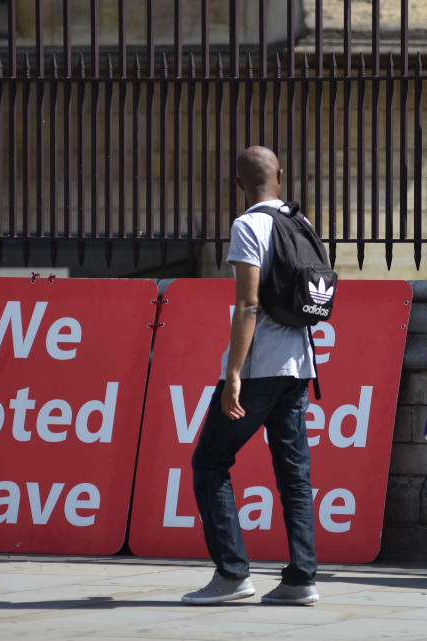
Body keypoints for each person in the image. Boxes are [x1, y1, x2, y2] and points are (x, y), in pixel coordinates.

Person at [182, 146, 319, 606]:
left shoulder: (248, 226)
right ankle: (301, 580)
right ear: (280, 176)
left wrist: (233, 373)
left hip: (258, 368)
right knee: (294, 476)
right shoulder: (302, 223)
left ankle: (232, 574)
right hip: (300, 366)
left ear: (239, 184)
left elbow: (248, 304)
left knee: (209, 462)